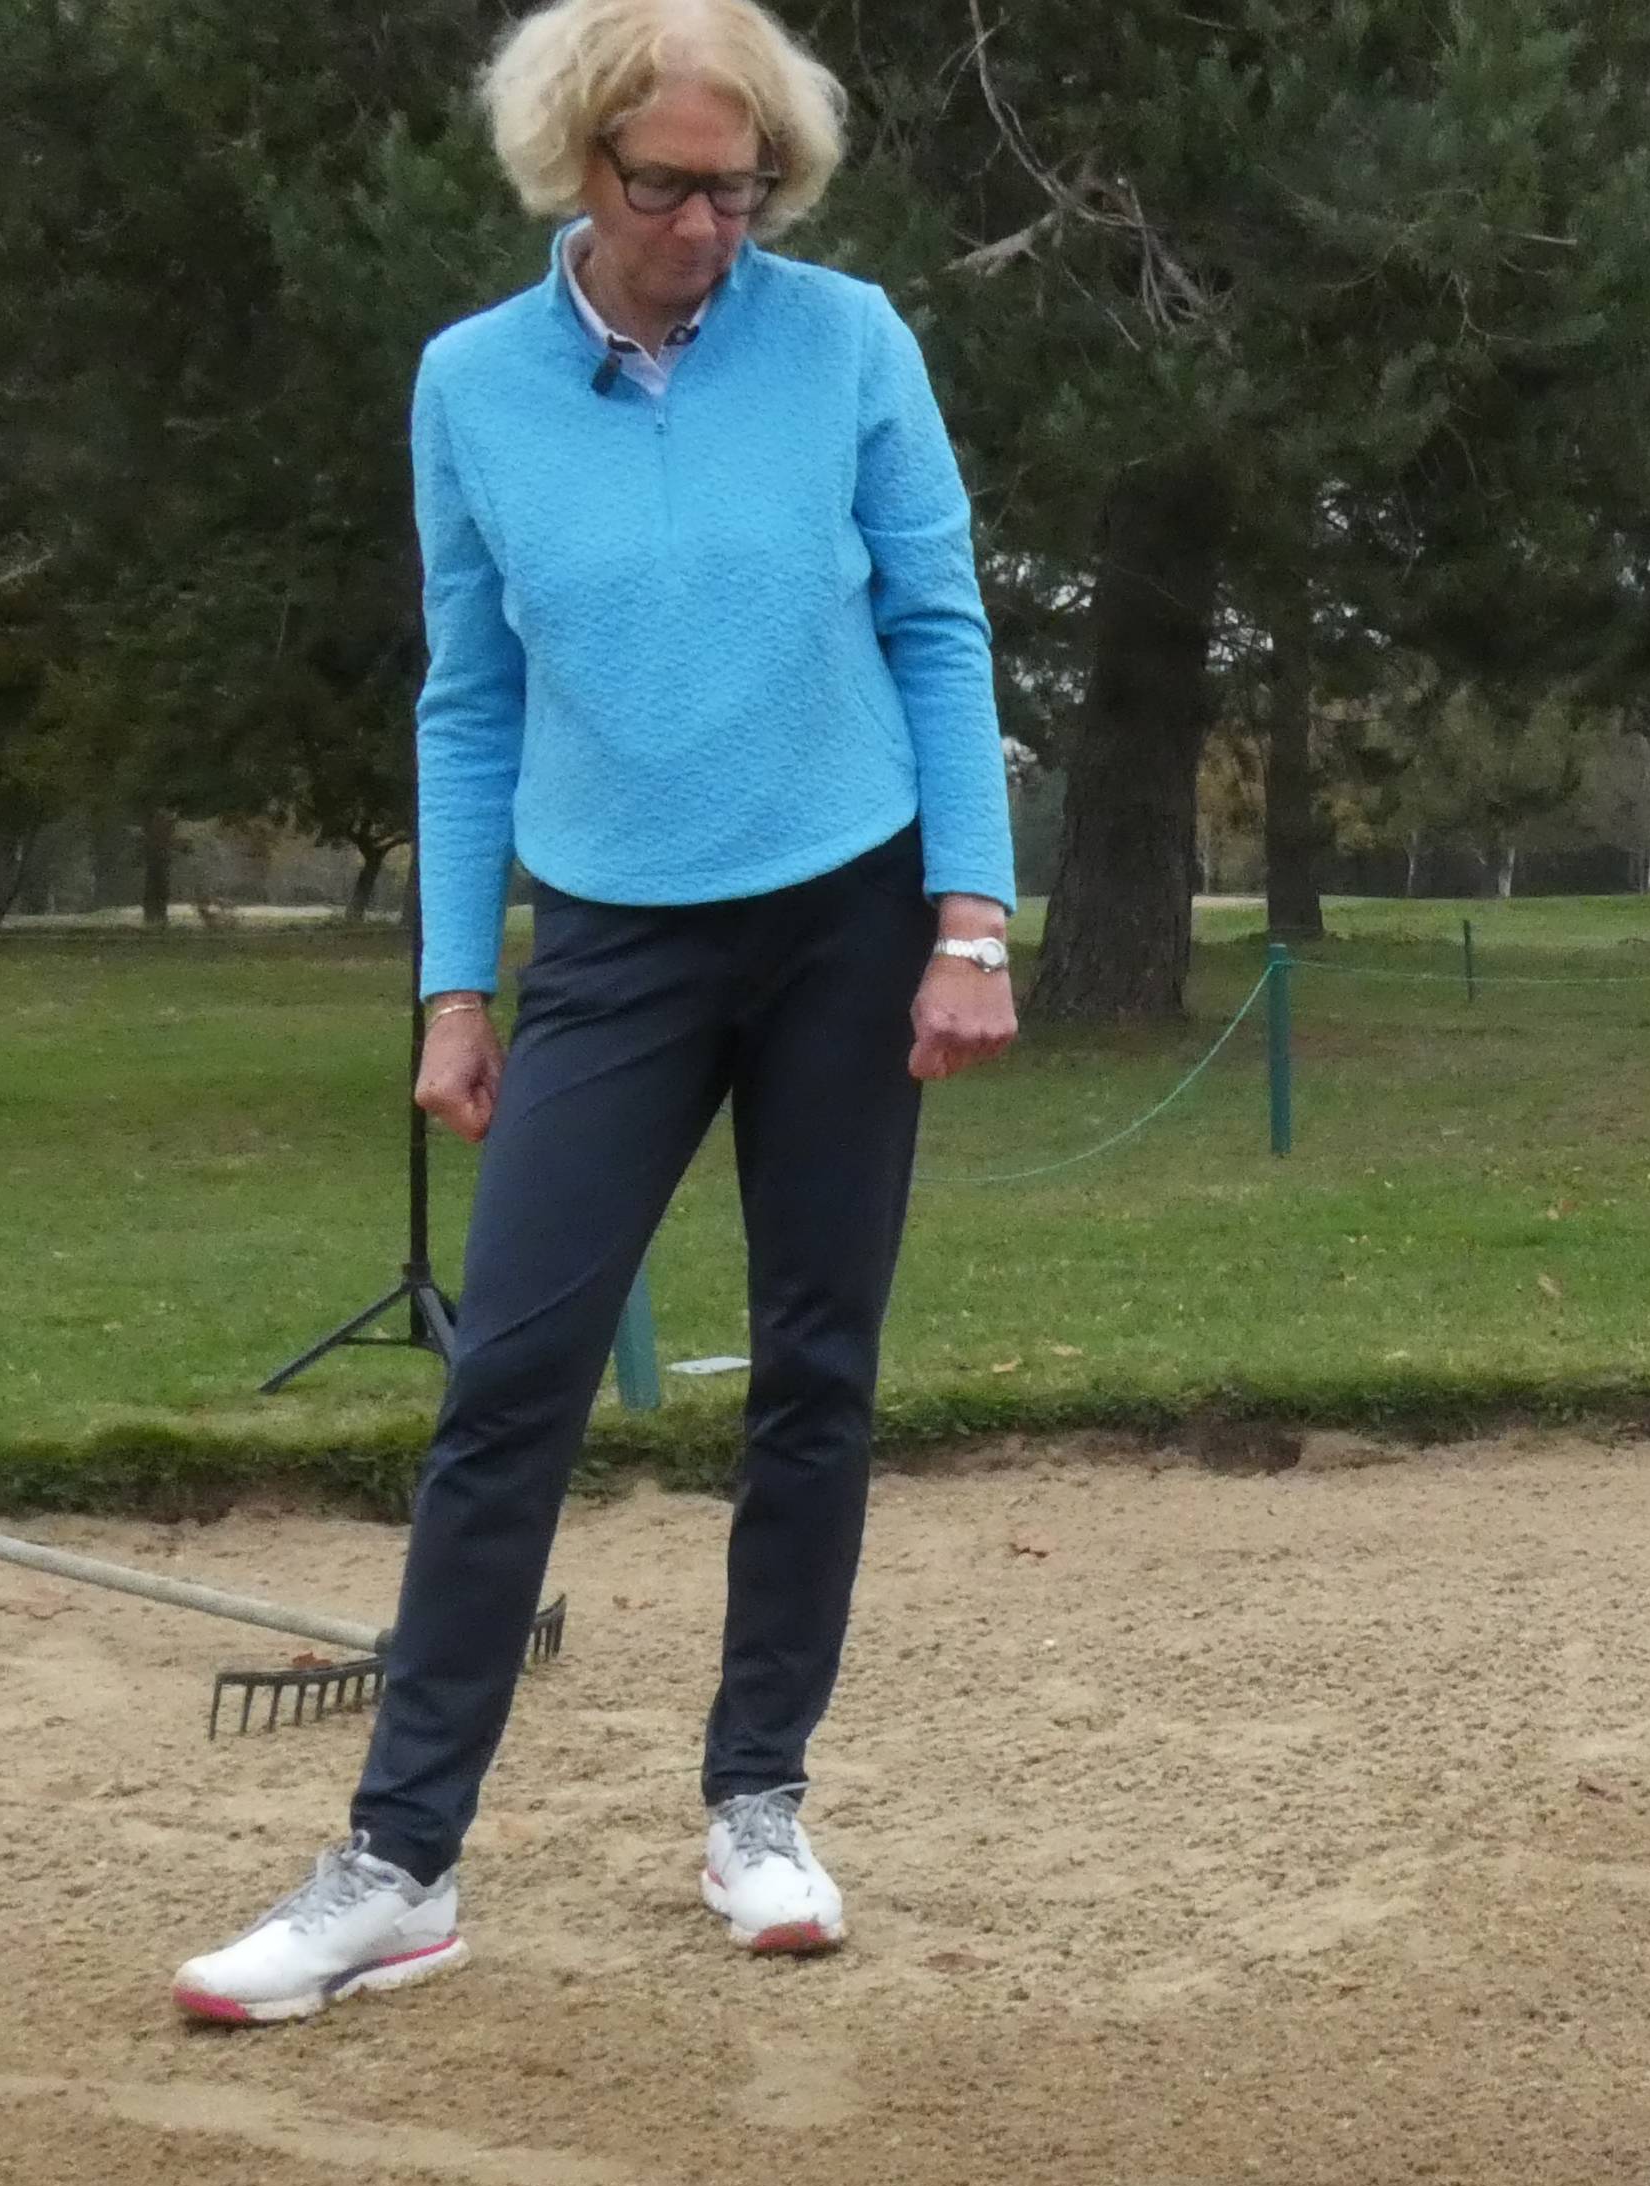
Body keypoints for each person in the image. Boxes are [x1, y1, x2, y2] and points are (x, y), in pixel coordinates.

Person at [176, 0, 1019, 2026]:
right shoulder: (470, 382)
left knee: (813, 1366)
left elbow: (935, 621)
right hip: (615, 940)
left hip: (845, 909)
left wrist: (968, 920)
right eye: (670, 188)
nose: (712, 227)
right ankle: (397, 1864)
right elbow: (469, 699)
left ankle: (757, 1805)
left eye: (744, 190)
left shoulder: (849, 343)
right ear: (579, 166)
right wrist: (455, 984)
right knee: (510, 1381)